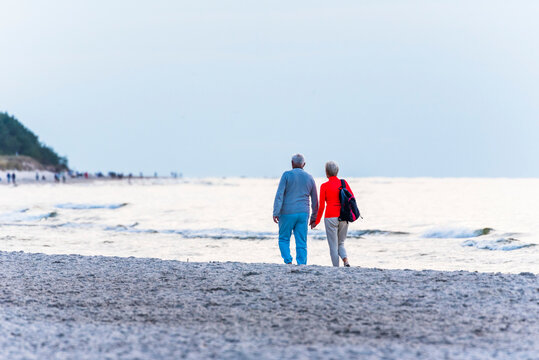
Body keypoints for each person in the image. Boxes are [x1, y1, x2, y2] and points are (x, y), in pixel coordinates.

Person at [273, 154, 318, 265]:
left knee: (283, 239)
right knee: (301, 241)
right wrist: (314, 217)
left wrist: (276, 211)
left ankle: (288, 261)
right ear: (304, 164)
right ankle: (301, 263)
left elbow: (279, 195)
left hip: (287, 212)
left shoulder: (286, 175)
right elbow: (315, 200)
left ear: (292, 163)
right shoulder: (310, 177)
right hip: (303, 213)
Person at [312, 161, 354, 267]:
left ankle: (336, 267)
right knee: (341, 243)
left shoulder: (324, 186)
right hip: (344, 216)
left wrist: (316, 222)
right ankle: (346, 260)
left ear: (326, 172)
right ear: (337, 171)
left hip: (330, 216)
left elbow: (321, 206)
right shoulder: (343, 183)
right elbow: (351, 199)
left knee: (333, 246)